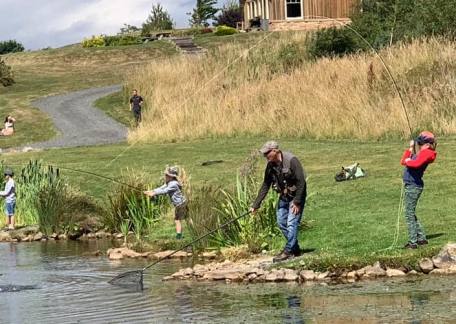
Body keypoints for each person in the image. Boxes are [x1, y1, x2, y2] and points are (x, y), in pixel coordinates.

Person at [250, 141, 307, 262]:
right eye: (264, 154)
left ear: (275, 151)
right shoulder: (270, 165)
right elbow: (266, 185)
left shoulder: (291, 160)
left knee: (292, 223)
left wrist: (297, 202)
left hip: (296, 197)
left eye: (267, 153)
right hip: (284, 197)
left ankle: (288, 251)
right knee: (281, 222)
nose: (265, 156)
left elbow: (301, 181)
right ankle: (294, 248)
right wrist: (256, 205)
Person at [400, 131, 437, 249]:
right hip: (411, 185)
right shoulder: (422, 152)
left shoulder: (427, 153)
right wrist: (410, 148)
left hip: (413, 186)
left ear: (426, 143)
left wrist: (408, 161)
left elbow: (415, 164)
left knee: (409, 214)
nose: (419, 144)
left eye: (420, 142)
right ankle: (421, 239)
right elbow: (403, 161)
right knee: (410, 213)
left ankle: (413, 242)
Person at [144, 166, 188, 239]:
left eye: (167, 175)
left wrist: (154, 194)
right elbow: (161, 188)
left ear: (171, 176)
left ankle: (179, 236)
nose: (165, 176)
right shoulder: (169, 182)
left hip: (180, 204)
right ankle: (182, 235)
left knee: (178, 220)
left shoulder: (173, 184)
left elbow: (165, 191)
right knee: (184, 219)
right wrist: (151, 191)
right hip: (181, 203)